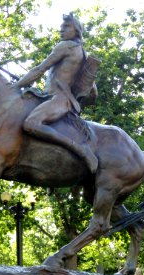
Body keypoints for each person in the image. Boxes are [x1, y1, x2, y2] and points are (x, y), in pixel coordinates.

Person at [15, 13, 98, 173]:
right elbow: (93, 92)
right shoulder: (83, 54)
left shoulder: (66, 46)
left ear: (77, 30)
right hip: (52, 97)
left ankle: (81, 150)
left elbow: (40, 69)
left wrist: (16, 86)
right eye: (61, 27)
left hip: (60, 99)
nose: (61, 30)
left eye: (66, 26)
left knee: (31, 124)